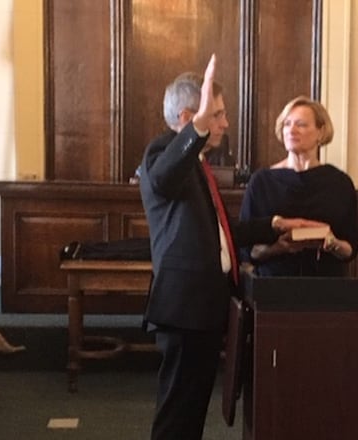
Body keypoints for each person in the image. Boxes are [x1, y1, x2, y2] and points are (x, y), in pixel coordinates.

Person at [138, 56, 323, 440]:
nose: (224, 123)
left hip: (204, 307)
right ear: (188, 117)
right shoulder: (162, 152)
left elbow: (221, 232)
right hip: (185, 308)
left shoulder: (197, 163)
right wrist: (199, 127)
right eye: (216, 114)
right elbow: (162, 180)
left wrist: (275, 225)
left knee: (191, 412)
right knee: (176, 414)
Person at [239, 96, 358, 277]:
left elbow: (350, 248)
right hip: (274, 284)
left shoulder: (340, 183)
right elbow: (247, 250)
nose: (292, 130)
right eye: (287, 124)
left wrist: (332, 243)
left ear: (321, 132)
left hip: (327, 283)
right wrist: (278, 247)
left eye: (301, 124)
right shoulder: (262, 182)